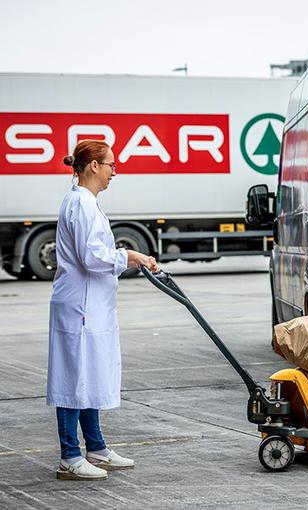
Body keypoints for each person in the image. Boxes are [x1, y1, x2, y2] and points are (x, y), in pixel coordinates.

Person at [47, 140, 158, 480]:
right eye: (111, 165)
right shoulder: (80, 203)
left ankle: (94, 447)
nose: (114, 171)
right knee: (73, 378)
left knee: (89, 373)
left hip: (90, 306)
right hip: (79, 306)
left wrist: (126, 257)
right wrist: (131, 256)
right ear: (93, 166)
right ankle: (70, 455)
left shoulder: (87, 203)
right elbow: (91, 256)